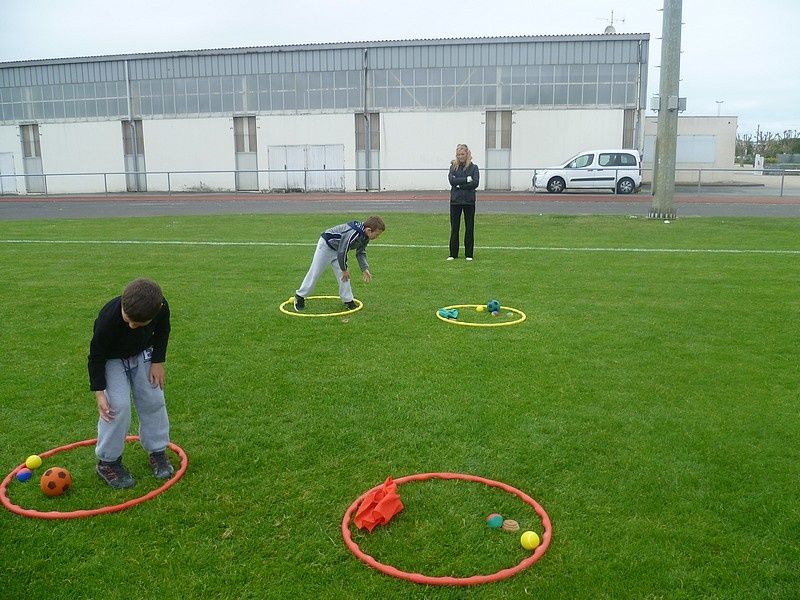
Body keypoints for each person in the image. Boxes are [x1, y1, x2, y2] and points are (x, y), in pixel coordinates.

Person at [88, 277, 174, 489]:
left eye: (137, 323)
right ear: (123, 303)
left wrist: (157, 362)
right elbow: (96, 355)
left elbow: (163, 332)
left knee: (154, 398)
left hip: (143, 353)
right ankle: (108, 462)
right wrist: (99, 393)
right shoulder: (108, 317)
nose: (131, 325)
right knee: (116, 407)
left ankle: (157, 451)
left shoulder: (161, 308)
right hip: (112, 359)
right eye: (128, 320)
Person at [293, 216, 386, 311]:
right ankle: (300, 296)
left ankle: (348, 300)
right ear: (369, 230)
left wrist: (364, 269)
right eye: (377, 234)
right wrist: (344, 269)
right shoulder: (353, 233)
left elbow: (360, 252)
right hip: (326, 245)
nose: (377, 237)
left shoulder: (365, 236)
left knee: (344, 277)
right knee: (315, 272)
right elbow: (342, 251)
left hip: (338, 249)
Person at [447, 143, 480, 261]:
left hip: (469, 201)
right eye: (458, 154)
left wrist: (459, 185)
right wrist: (466, 180)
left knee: (469, 227)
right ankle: (453, 254)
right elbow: (452, 181)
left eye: (462, 154)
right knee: (454, 228)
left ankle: (469, 254)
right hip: (455, 201)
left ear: (467, 154)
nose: (460, 156)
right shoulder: (453, 167)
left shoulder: (474, 167)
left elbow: (475, 183)